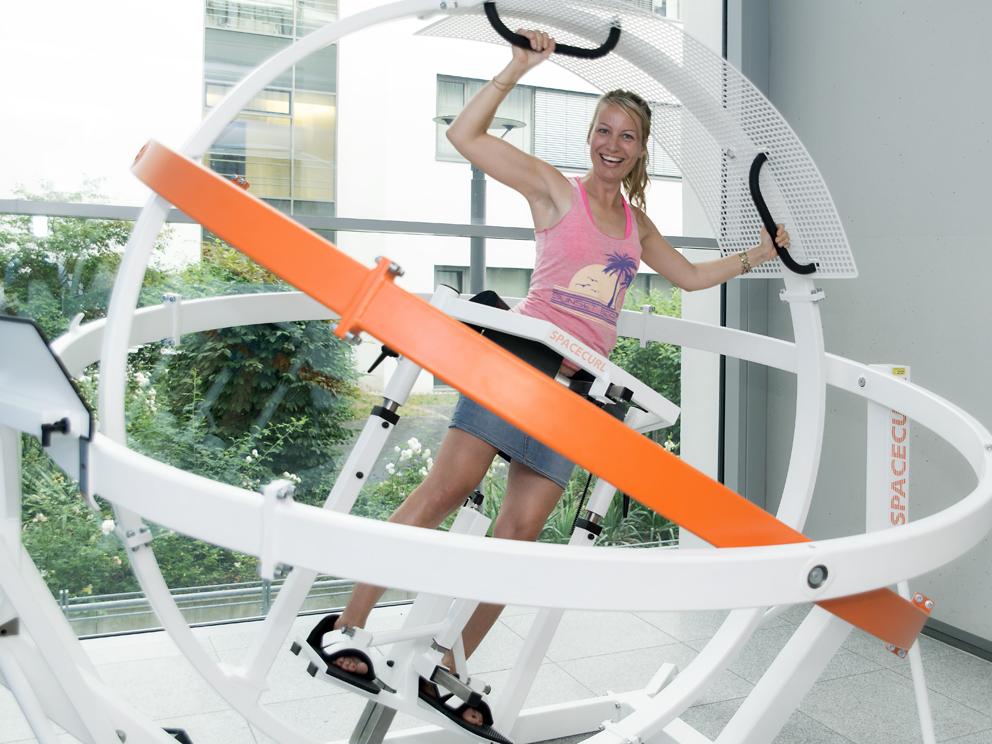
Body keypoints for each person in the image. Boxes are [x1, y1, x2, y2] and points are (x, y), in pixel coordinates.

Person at [305, 28, 789, 737]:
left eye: (627, 135)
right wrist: (517, 66)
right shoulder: (554, 190)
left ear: (641, 149)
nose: (612, 144)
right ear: (590, 136)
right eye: (603, 130)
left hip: (578, 388)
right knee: (443, 492)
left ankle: (447, 665)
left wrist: (758, 254)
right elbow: (465, 137)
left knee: (521, 534)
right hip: (522, 361)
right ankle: (346, 627)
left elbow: (689, 277)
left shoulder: (637, 224)